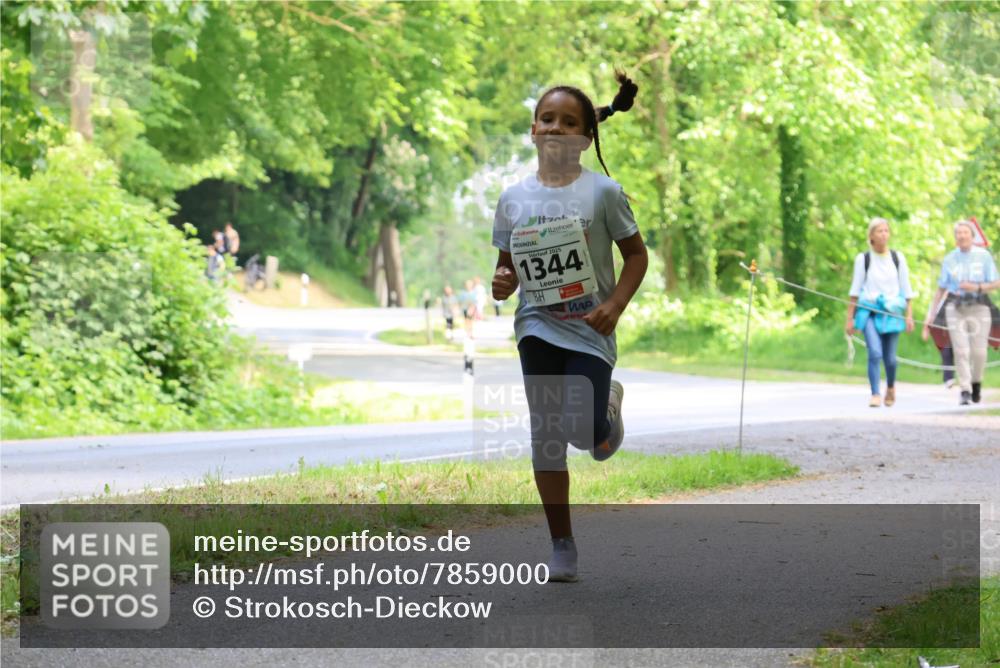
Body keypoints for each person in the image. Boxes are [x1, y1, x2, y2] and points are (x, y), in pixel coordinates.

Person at [491, 70, 646, 582]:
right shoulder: (513, 198)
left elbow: (636, 257)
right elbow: (507, 264)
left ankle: (606, 411)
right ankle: (562, 545)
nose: (556, 127)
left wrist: (616, 305)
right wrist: (503, 280)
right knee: (547, 434)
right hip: (536, 325)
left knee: (586, 435)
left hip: (589, 329)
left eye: (568, 122)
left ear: (585, 137)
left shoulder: (603, 193)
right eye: (547, 119)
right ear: (534, 130)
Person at [924, 220, 1000, 405]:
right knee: (961, 349)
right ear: (955, 237)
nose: (962, 236)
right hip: (955, 307)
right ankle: (965, 389)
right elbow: (941, 288)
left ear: (972, 236)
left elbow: (996, 283)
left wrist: (976, 287)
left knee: (979, 352)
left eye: (965, 232)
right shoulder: (950, 258)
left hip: (979, 306)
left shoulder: (983, 256)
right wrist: (931, 314)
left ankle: (976, 384)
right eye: (958, 233)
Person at [845, 218, 914, 407]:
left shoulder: (897, 258)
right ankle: (875, 393)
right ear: (871, 236)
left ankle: (890, 387)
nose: (884, 234)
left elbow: (906, 288)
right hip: (869, 311)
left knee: (890, 358)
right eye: (879, 231)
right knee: (875, 352)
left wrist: (909, 315)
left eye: (886, 231)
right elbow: (855, 290)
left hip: (891, 312)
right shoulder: (863, 259)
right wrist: (849, 319)